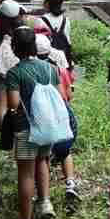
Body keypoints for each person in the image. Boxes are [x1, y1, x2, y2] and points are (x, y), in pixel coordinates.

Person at [4, 27, 59, 219]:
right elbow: (58, 95)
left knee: (26, 173)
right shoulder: (50, 68)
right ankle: (45, 204)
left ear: (15, 47)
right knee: (43, 161)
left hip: (27, 128)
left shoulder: (15, 72)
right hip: (48, 126)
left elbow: (13, 103)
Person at [36, 33, 80, 204]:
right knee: (65, 152)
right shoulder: (59, 69)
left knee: (43, 155)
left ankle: (44, 196)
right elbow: (68, 95)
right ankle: (70, 183)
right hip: (62, 116)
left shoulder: (30, 70)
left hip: (43, 118)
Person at [0, 0, 24, 124]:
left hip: (2, 70)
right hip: (20, 68)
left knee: (2, 102)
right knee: (19, 102)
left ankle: (3, 129)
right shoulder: (23, 31)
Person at [40, 0, 73, 68]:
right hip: (64, 57)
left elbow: (39, 43)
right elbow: (68, 40)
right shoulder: (66, 20)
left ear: (47, 4)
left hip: (48, 58)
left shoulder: (41, 20)